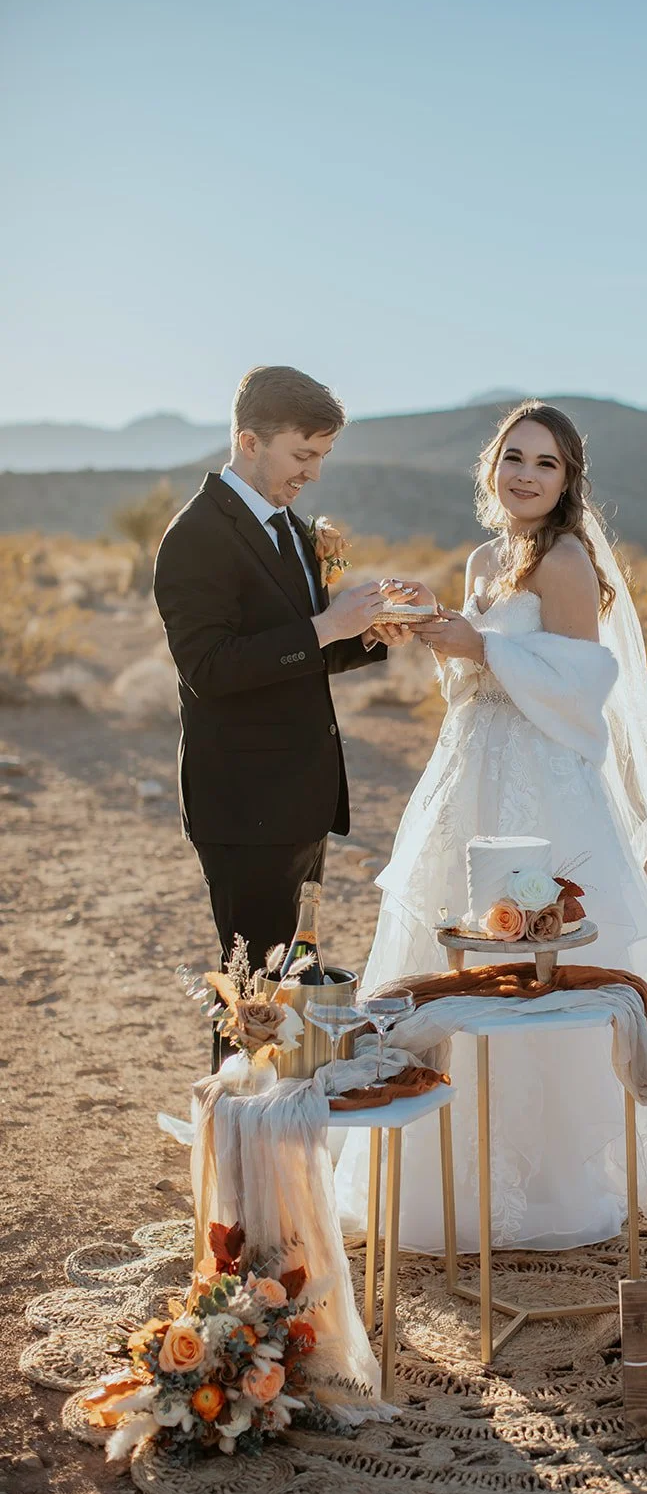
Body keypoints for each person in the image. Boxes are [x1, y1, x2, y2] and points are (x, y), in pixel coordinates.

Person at [333, 399, 647, 1253]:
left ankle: (555, 1183)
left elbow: (577, 681)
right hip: (472, 765)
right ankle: (432, 1180)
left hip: (542, 778)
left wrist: (480, 646)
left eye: (546, 464)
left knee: (541, 953)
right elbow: (478, 669)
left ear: (567, 481)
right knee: (450, 937)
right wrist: (440, 631)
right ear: (491, 466)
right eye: (514, 458)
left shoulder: (564, 560)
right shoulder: (484, 557)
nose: (526, 476)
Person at [153, 365, 416, 1064]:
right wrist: (324, 628)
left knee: (292, 980)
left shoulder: (291, 530)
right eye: (304, 455)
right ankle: (234, 1143)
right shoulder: (196, 535)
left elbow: (300, 652)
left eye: (322, 457)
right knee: (250, 995)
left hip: (299, 797)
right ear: (248, 440)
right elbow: (207, 669)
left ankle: (276, 1133)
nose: (313, 474)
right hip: (242, 803)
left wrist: (363, 633)